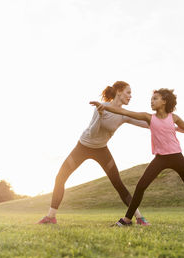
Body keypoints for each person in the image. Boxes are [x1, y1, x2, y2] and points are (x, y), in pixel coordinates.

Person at [90, 88, 184, 226]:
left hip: (177, 157)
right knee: (140, 186)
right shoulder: (148, 117)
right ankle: (127, 219)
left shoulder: (174, 118)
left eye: (155, 98)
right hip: (160, 159)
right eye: (151, 99)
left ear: (164, 101)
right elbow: (124, 112)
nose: (152, 101)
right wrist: (105, 108)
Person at [37, 81, 153, 225]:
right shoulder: (102, 106)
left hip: (101, 150)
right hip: (83, 147)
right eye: (128, 92)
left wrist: (171, 126)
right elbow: (92, 133)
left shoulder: (124, 115)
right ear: (119, 91)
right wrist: (99, 114)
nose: (131, 96)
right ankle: (50, 217)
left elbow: (147, 124)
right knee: (60, 177)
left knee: (118, 183)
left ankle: (140, 217)